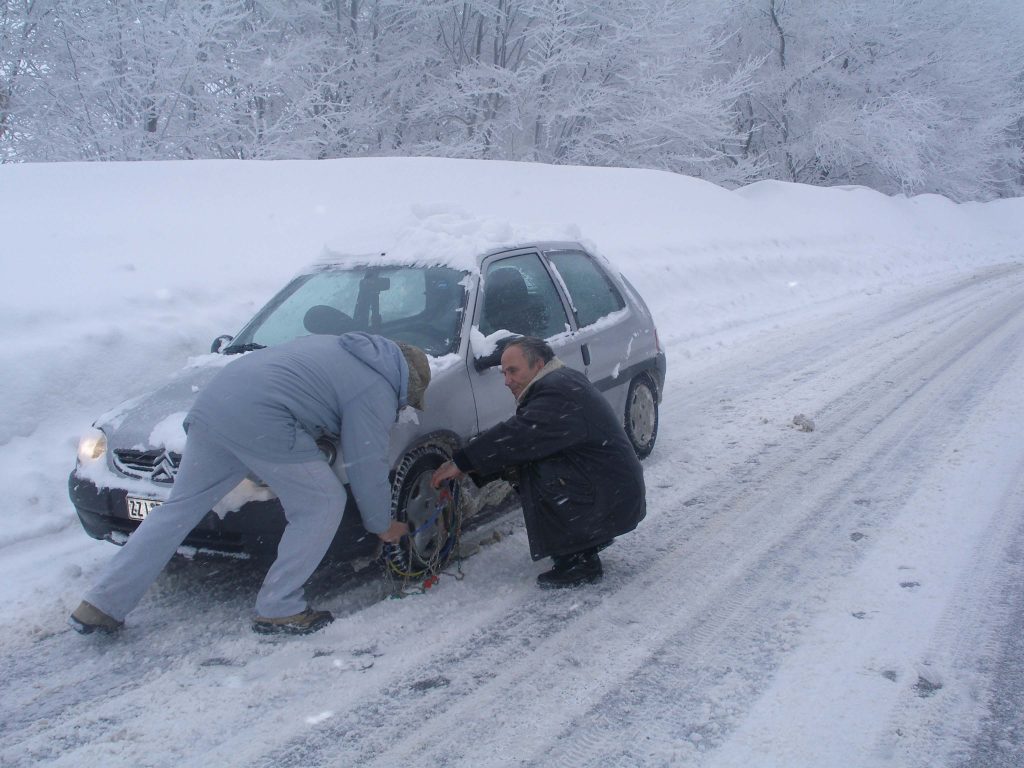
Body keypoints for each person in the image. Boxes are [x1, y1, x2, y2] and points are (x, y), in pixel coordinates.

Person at [70, 332, 431, 636]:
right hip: (263, 416)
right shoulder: (377, 388)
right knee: (322, 502)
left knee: (179, 509)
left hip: (214, 405)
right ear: (408, 381)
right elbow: (366, 462)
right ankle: (279, 605)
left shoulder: (343, 349)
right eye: (409, 399)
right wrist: (382, 525)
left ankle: (102, 604)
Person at [431, 336, 645, 588]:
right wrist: (473, 466)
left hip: (611, 497)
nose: (506, 381)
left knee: (538, 470)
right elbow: (524, 437)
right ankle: (587, 540)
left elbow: (518, 435)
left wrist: (461, 462)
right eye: (503, 373)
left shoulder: (557, 391)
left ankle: (578, 560)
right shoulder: (558, 380)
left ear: (538, 364)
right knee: (525, 460)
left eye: (513, 371)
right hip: (612, 491)